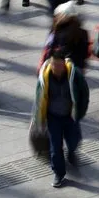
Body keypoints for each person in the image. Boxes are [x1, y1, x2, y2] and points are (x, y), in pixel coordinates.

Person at [33, 50, 89, 188]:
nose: (55, 68)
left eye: (58, 65)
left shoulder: (74, 74)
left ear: (64, 64)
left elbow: (84, 93)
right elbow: (39, 97)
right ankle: (59, 173)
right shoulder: (44, 77)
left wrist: (80, 112)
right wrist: (37, 118)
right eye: (53, 64)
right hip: (53, 117)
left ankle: (71, 152)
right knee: (55, 147)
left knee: (74, 140)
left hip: (70, 116)